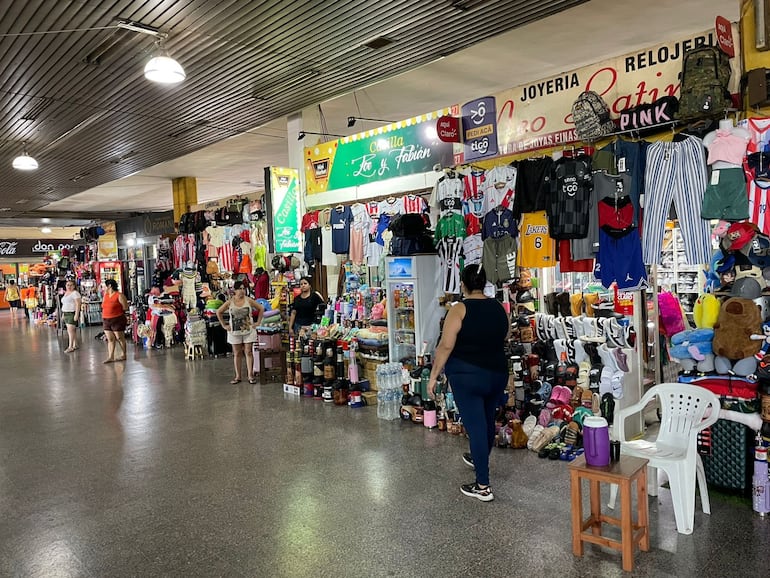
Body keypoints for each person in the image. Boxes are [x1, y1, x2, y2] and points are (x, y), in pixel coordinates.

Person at [427, 264, 510, 502]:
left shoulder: (459, 309)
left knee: (475, 427)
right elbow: (505, 334)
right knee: (486, 421)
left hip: (467, 376)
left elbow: (446, 345)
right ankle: (478, 457)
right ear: (483, 283)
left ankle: (483, 485)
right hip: (496, 374)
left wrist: (434, 376)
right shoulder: (498, 307)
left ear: (462, 284)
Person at [216, 281, 264, 384]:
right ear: (235, 290)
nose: (242, 291)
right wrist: (224, 325)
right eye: (240, 289)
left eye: (243, 288)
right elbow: (218, 312)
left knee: (248, 352)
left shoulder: (249, 300)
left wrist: (258, 322)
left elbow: (261, 308)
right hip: (234, 332)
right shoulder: (230, 302)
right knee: (237, 353)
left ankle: (250, 375)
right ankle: (238, 376)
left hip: (248, 330)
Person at [102, 279, 129, 363]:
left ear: (109, 286)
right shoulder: (105, 295)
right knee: (110, 338)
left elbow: (125, 307)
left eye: (105, 286)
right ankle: (111, 356)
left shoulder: (119, 295)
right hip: (106, 319)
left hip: (117, 319)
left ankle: (123, 354)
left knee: (119, 337)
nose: (103, 288)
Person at [61, 280, 82, 352]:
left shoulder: (75, 293)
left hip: (71, 313)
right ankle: (75, 344)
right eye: (67, 285)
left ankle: (70, 346)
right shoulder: (66, 293)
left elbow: (78, 304)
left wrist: (76, 314)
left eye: (71, 285)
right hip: (66, 313)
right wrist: (63, 314)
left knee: (70, 330)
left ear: (74, 286)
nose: (69, 287)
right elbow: (65, 304)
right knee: (71, 330)